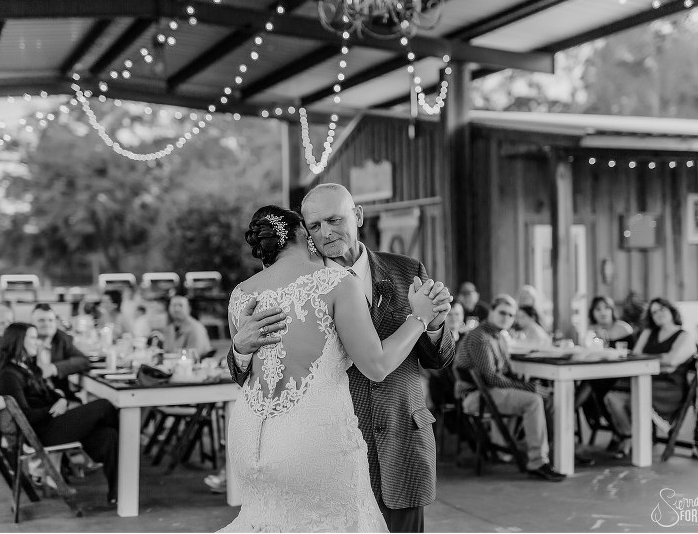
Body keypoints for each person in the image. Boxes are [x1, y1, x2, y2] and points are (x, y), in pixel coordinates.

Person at [228, 185, 454, 533]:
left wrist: (435, 323)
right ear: (303, 230)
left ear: (358, 216)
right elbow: (261, 372)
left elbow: (437, 359)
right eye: (314, 225)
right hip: (328, 446)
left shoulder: (406, 270)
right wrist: (240, 349)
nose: (325, 233)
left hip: (400, 439)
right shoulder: (305, 282)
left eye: (334, 220)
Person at [0, 323, 119, 505]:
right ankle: (101, 454)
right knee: (104, 405)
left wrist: (61, 399)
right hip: (40, 432)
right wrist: (53, 409)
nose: (39, 343)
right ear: (19, 342)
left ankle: (117, 491)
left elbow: (49, 394)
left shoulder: (27, 367)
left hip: (51, 423)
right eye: (33, 338)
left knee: (109, 435)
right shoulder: (9, 375)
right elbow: (24, 416)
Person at [454, 294, 565, 482]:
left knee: (548, 397)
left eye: (511, 315)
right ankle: (537, 463)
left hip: (492, 391)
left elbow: (508, 373)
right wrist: (528, 388)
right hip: (476, 396)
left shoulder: (500, 337)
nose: (507, 318)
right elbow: (491, 378)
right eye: (502, 313)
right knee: (534, 401)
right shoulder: (480, 337)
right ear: (491, 311)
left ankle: (556, 452)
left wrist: (530, 386)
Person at [604, 298, 697, 458]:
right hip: (644, 380)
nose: (658, 314)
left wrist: (653, 361)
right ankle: (628, 435)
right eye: (654, 312)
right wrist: (661, 361)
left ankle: (640, 447)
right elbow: (637, 356)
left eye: (661, 309)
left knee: (636, 397)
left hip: (669, 387)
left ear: (671, 310)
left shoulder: (684, 335)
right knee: (612, 396)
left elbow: (672, 360)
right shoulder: (648, 332)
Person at [576, 296, 635, 449]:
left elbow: (632, 355)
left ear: (612, 310)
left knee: (591, 385)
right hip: (600, 373)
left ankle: (567, 410)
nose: (602, 312)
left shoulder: (623, 328)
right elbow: (587, 353)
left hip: (623, 375)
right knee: (590, 383)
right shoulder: (592, 331)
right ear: (592, 313)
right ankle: (618, 431)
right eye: (598, 309)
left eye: (606, 308)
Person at [30, 303, 91, 401]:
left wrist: (54, 368)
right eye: (41, 320)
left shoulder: (61, 338)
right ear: (31, 323)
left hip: (62, 397)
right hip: (35, 400)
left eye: (51, 320)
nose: (47, 324)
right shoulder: (25, 341)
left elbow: (83, 361)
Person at [163, 295, 213, 360]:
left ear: (188, 308)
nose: (176, 309)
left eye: (180, 305)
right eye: (174, 305)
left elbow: (194, 355)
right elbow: (167, 350)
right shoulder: (170, 327)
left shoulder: (196, 328)